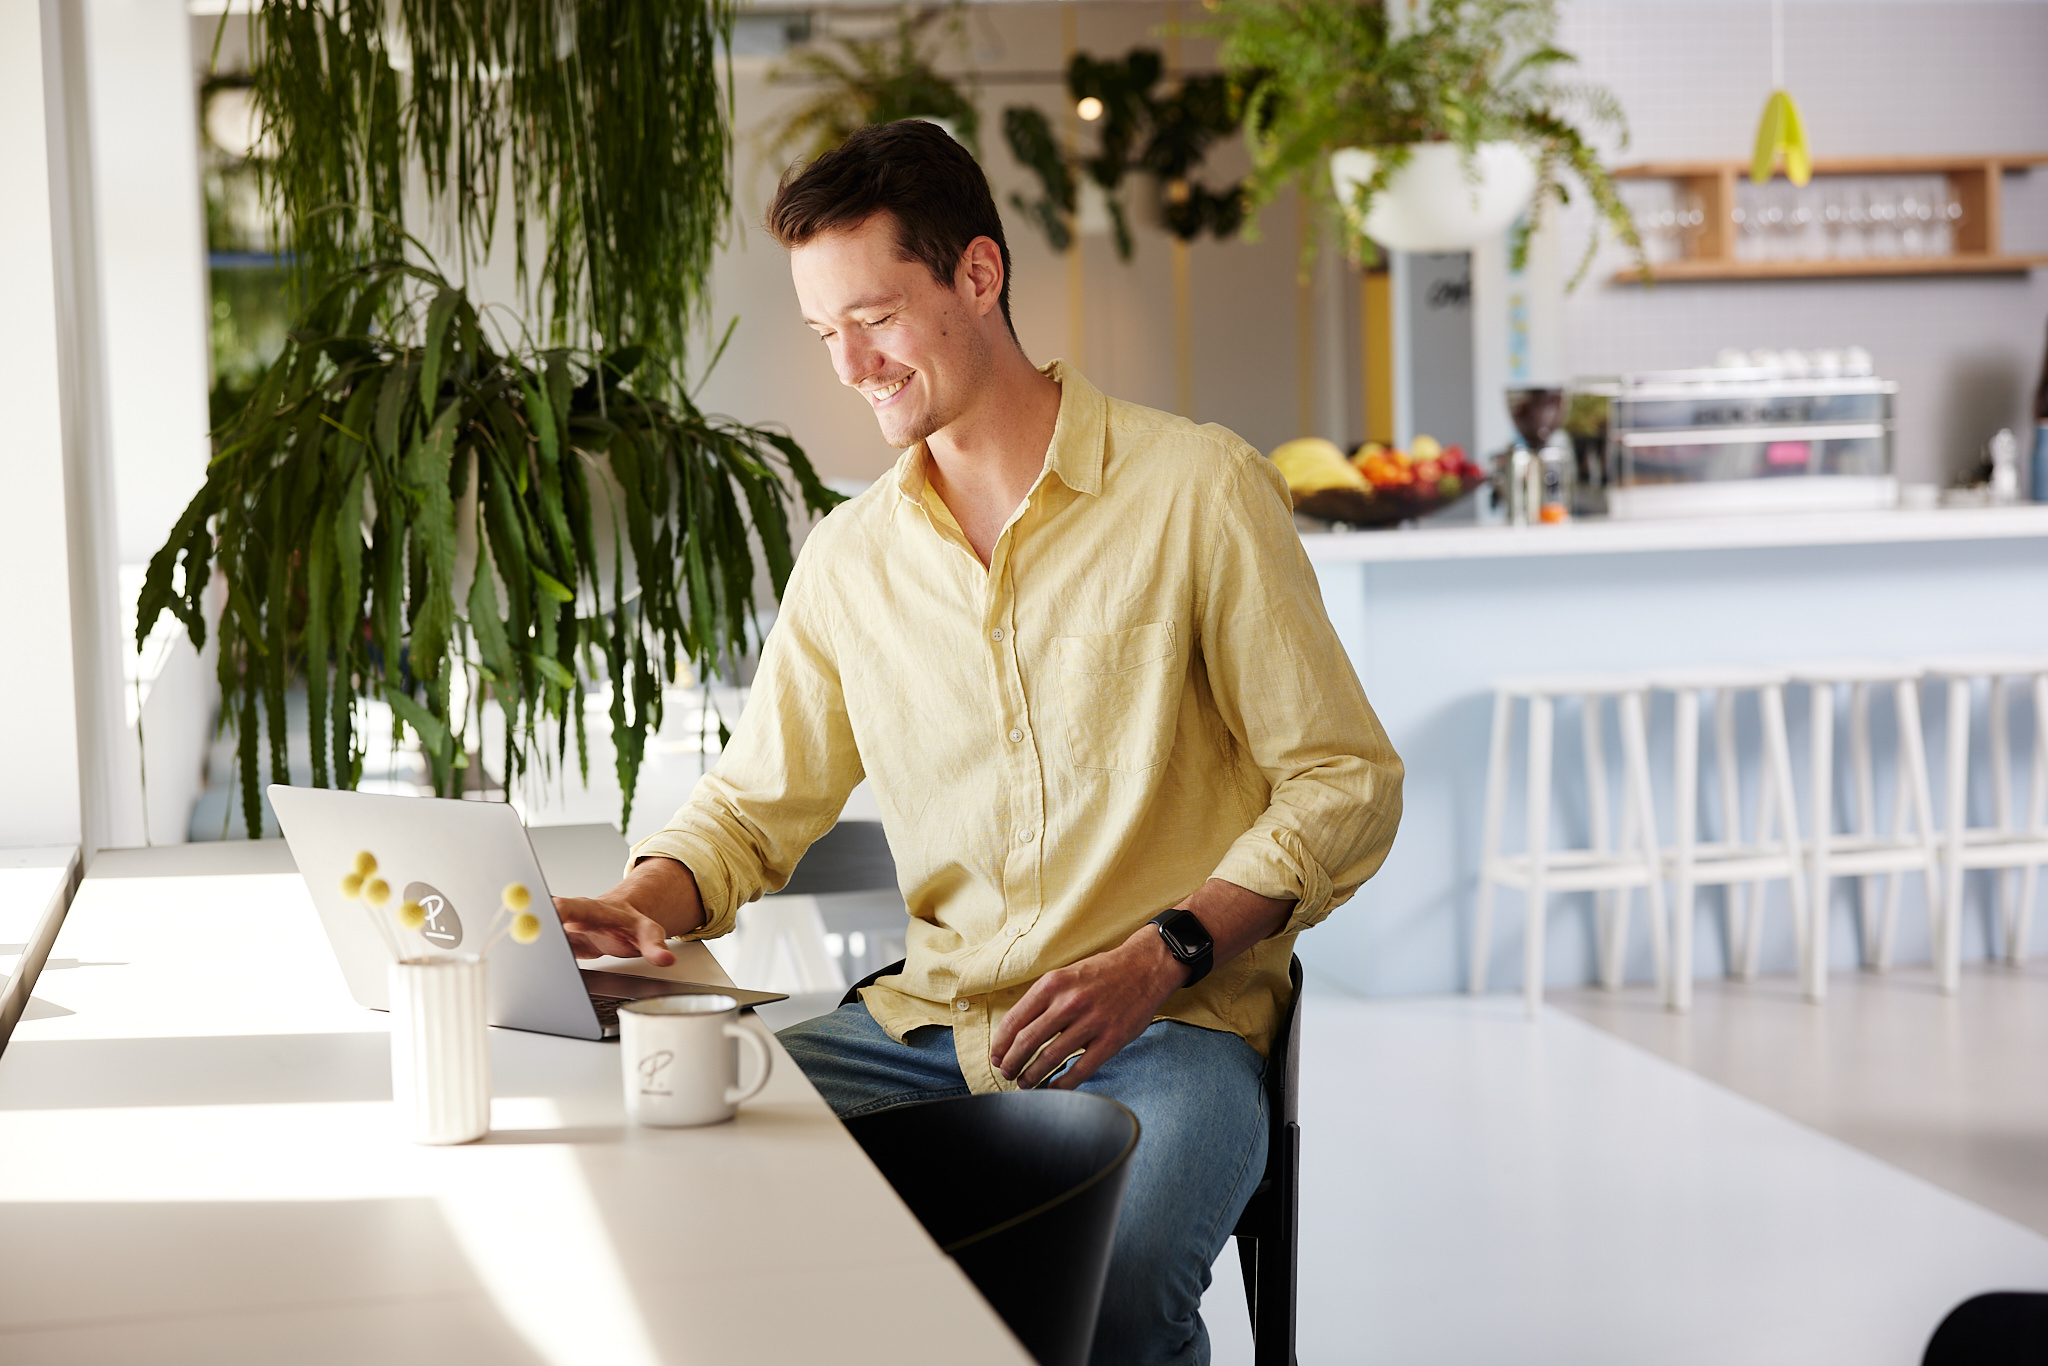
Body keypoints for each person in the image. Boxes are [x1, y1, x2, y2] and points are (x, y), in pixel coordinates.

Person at [551, 119, 1403, 1366]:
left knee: (1110, 1288)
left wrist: (1166, 949)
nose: (849, 363)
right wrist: (638, 902)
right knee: (671, 1170)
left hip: (1170, 1036)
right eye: (821, 332)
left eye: (876, 317)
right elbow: (748, 809)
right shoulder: (851, 559)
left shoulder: (1195, 490)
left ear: (978, 277)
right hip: (925, 1035)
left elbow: (1344, 780)